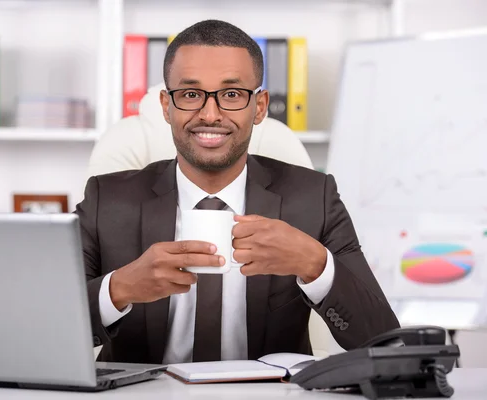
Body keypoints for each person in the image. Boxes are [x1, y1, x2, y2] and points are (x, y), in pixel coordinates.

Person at [75, 19, 400, 365]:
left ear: (259, 107)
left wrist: (315, 264)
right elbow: (44, 326)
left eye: (231, 95)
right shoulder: (105, 200)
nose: (210, 114)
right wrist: (118, 289)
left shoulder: (313, 199)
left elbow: (385, 342)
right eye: (190, 94)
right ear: (166, 107)